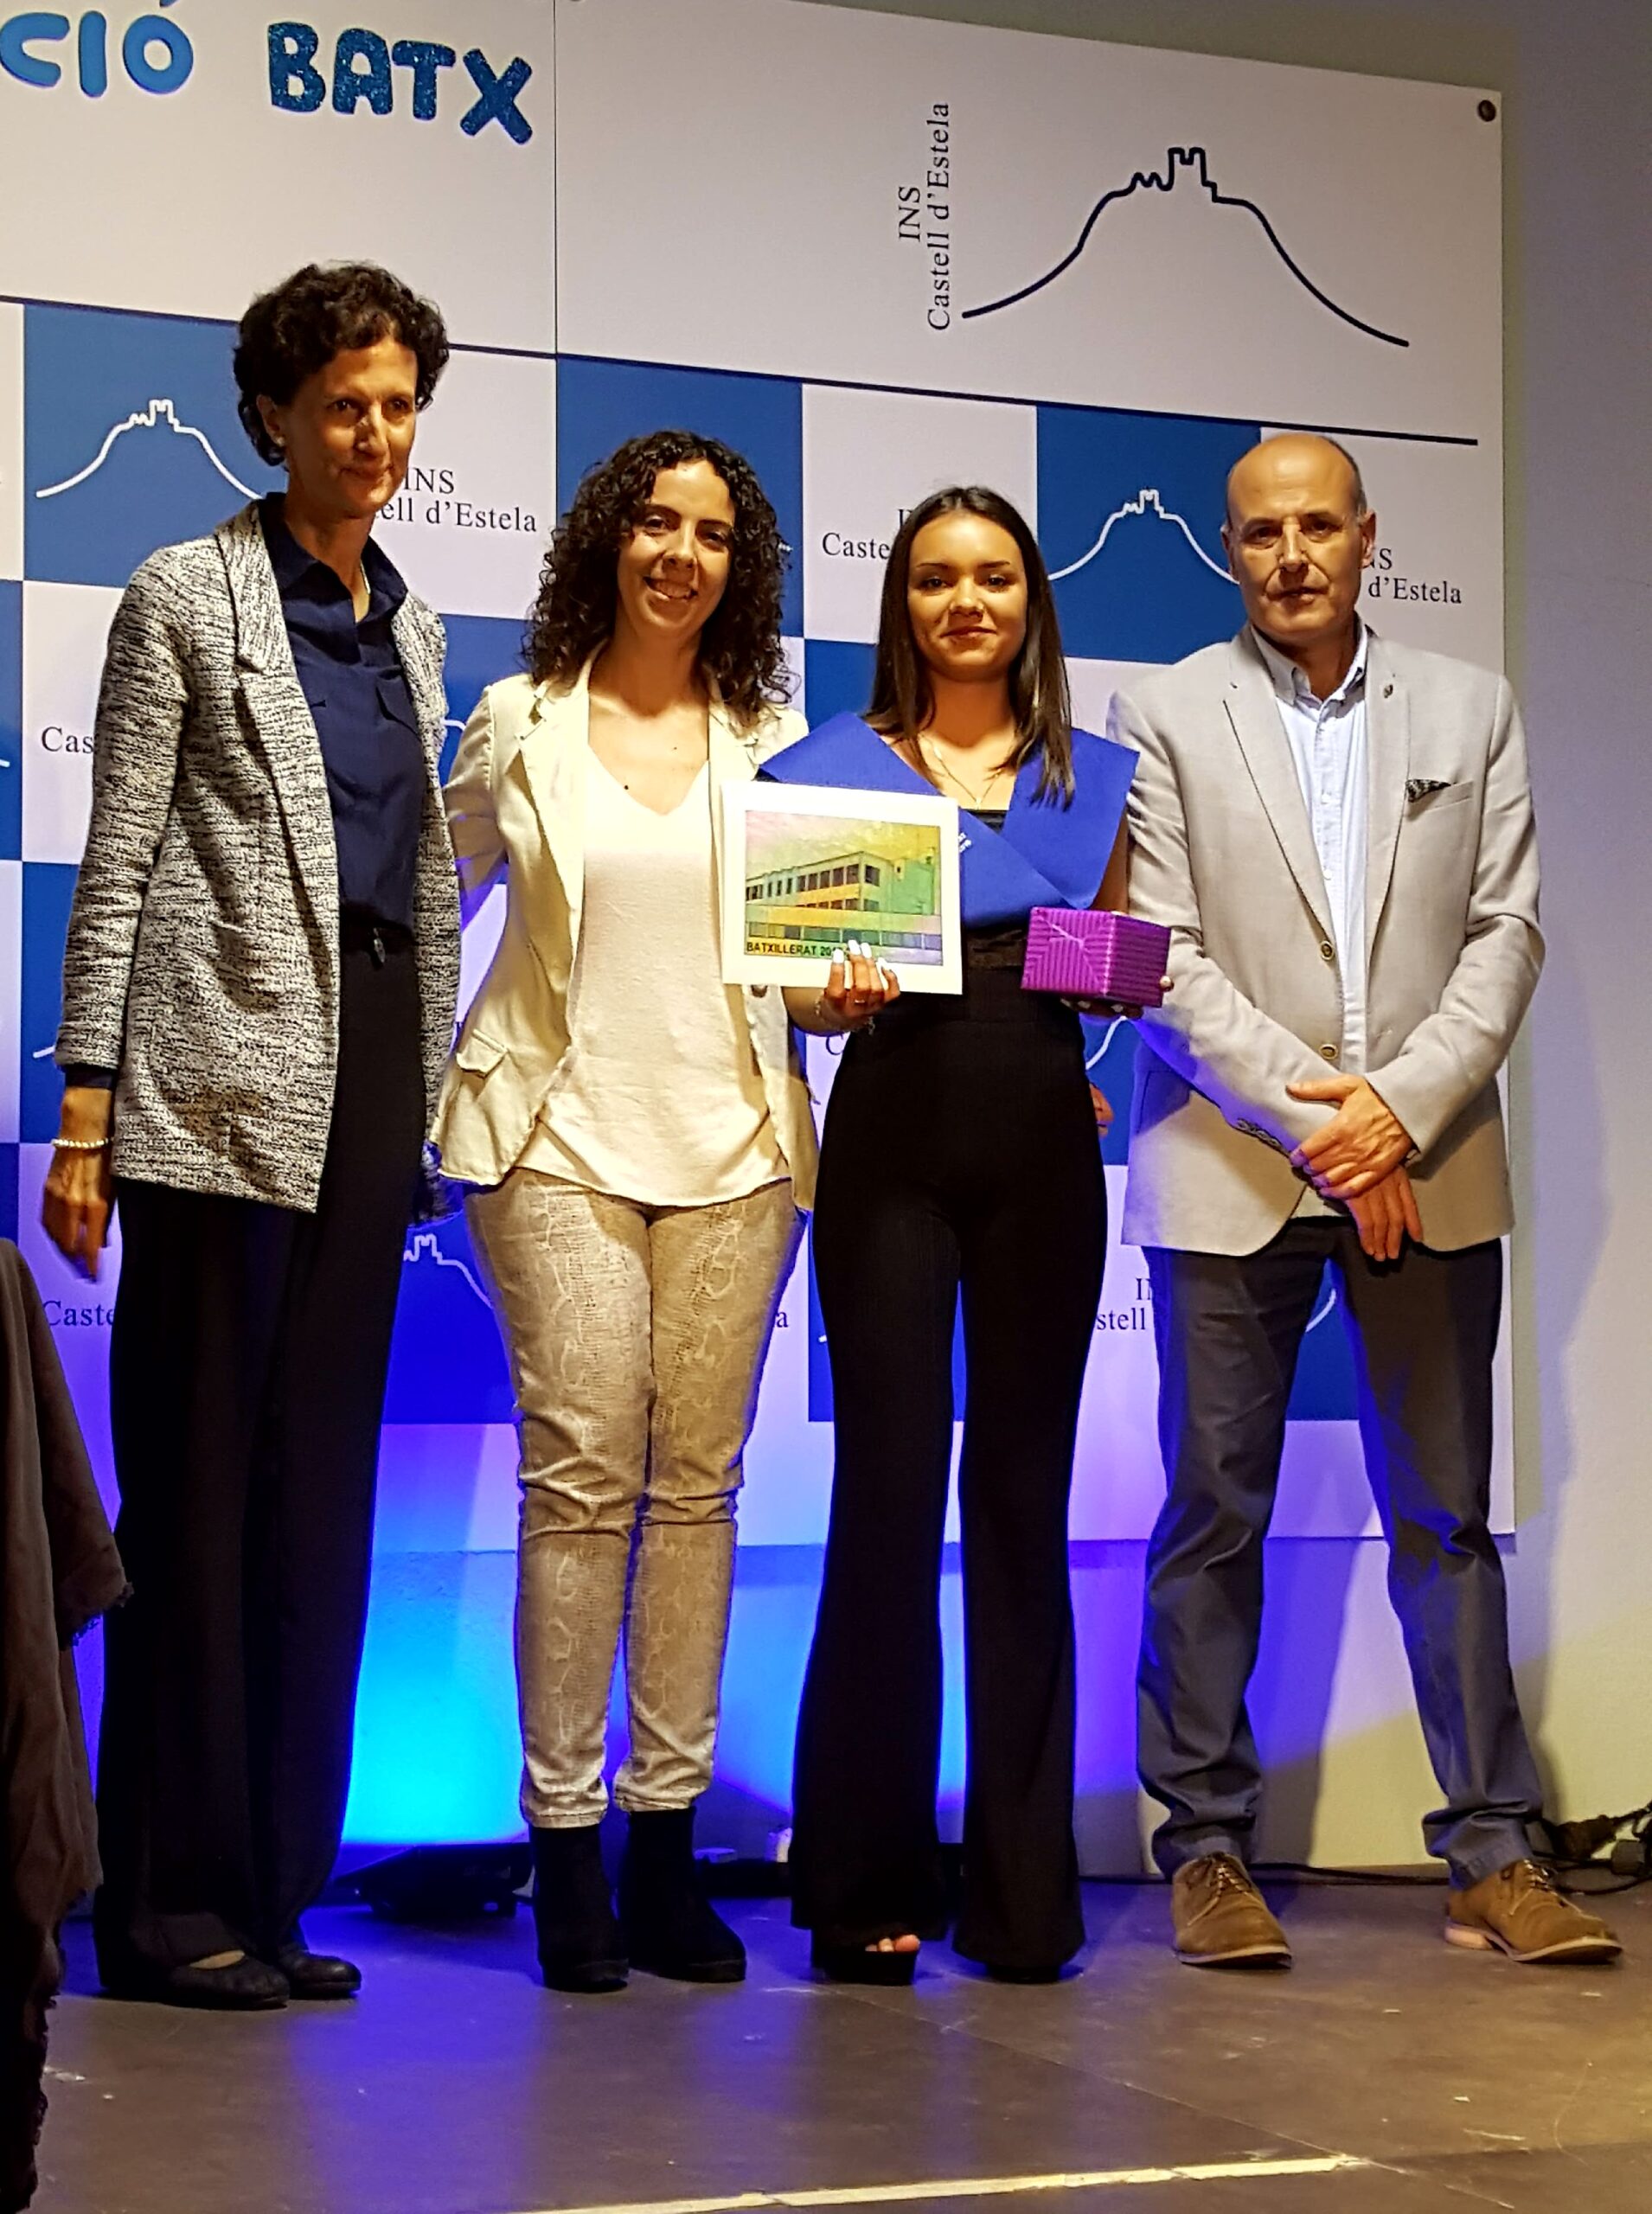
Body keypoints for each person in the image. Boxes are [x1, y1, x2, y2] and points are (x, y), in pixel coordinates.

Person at [1117, 431, 1619, 1969]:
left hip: (1429, 1157)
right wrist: (1322, 1125)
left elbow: (1504, 933)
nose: (1291, 555)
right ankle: (1204, 1848)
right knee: (1214, 1511)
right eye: (1260, 531)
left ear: (1364, 535)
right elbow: (1157, 957)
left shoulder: (1471, 706)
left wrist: (1396, 1116)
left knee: (1445, 1518)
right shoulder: (1161, 711)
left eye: (1317, 527)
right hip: (1233, 1162)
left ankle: (1492, 1850)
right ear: (1227, 548)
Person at [42, 261, 460, 2009]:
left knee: (318, 1500)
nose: (373, 435)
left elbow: (418, 877)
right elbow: (121, 854)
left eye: (396, 405)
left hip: (370, 1082)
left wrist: (430, 1096)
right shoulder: (186, 593)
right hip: (210, 1088)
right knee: (202, 1496)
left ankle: (281, 1892)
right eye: (341, 405)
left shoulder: (412, 624)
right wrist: (86, 1103)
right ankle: (167, 1904)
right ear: (274, 416)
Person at [434, 431, 816, 1994]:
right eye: (656, 522)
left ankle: (665, 1848)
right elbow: (428, 899)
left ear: (740, 566)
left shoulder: (776, 740)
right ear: (608, 536)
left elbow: (809, 962)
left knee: (699, 1489)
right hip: (552, 1141)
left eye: (711, 534)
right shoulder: (516, 720)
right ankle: (564, 1850)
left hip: (740, 1148)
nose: (680, 553)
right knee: (583, 1482)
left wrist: (850, 995)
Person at [769, 486, 1137, 1983]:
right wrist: (833, 992)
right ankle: (864, 1880)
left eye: (991, 577)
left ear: (1028, 600)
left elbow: (1118, 966)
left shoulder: (1088, 776)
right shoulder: (837, 770)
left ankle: (1023, 1898)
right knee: (884, 1500)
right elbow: (802, 994)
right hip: (891, 1151)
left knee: (1020, 1509)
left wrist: (1106, 974)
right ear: (902, 605)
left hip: (1045, 1146)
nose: (964, 602)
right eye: (934, 579)